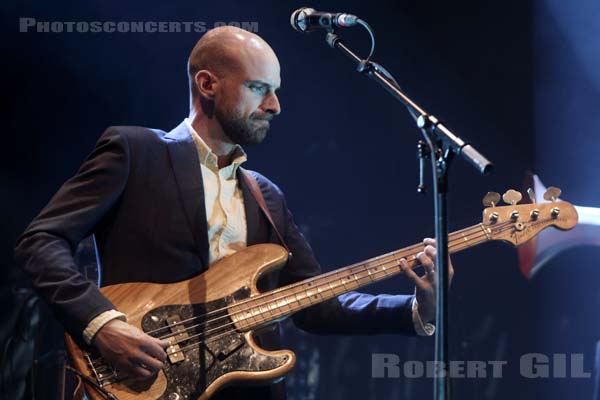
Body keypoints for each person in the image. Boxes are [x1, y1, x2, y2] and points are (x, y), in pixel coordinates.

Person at [14, 26, 453, 399]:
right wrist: (101, 324)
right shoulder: (136, 151)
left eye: (275, 91)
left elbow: (316, 306)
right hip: (141, 381)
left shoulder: (265, 194)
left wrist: (419, 305)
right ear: (208, 84)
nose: (275, 106)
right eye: (259, 88)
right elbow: (41, 241)